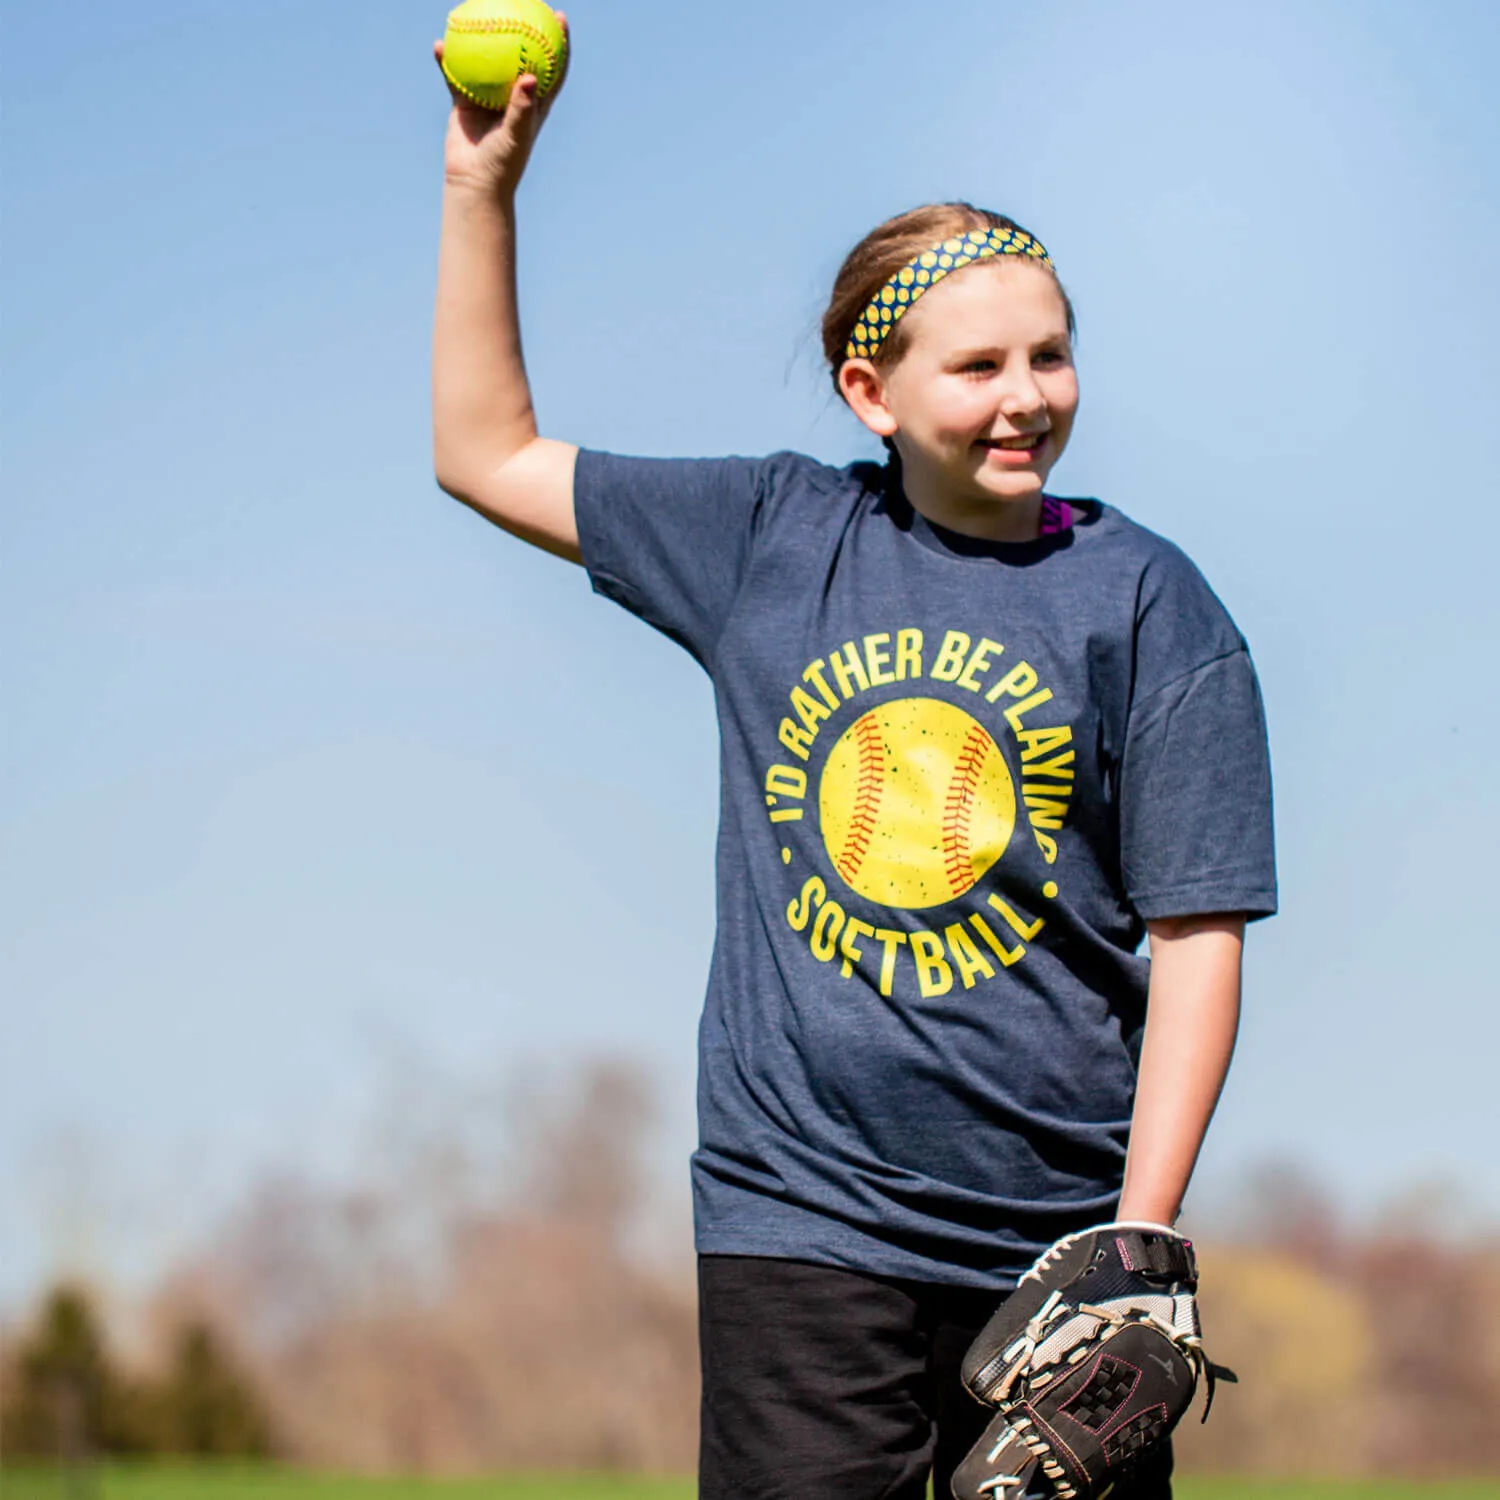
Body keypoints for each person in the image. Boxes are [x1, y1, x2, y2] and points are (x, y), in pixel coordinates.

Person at [431, 27, 1276, 1500]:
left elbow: (1195, 935)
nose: (1026, 396)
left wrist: (1135, 1246)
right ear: (869, 394)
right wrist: (481, 188)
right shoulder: (773, 540)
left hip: (1057, 1252)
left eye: (1050, 355)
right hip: (799, 1222)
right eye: (978, 367)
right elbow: (484, 453)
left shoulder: (1152, 604)